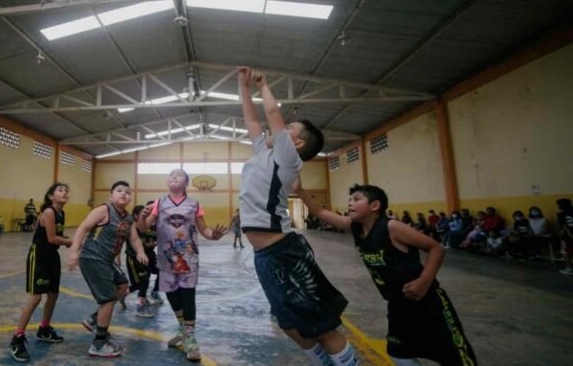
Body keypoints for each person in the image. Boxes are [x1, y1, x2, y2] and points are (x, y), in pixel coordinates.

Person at [236, 67, 356, 366]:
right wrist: (243, 87)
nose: (279, 128)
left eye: (288, 128)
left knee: (321, 327)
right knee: (290, 325)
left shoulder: (286, 159)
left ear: (296, 144)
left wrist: (263, 85)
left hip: (284, 253)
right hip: (265, 257)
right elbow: (252, 120)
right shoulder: (262, 153)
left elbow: (271, 113)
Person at [295, 183, 477, 366]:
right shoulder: (356, 227)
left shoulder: (391, 227)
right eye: (349, 199)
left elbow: (436, 248)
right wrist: (299, 190)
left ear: (375, 205)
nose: (350, 203)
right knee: (399, 354)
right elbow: (320, 212)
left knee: (456, 357)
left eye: (356, 199)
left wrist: (424, 280)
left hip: (427, 302)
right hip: (398, 305)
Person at [137, 169, 228, 362]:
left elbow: (204, 229)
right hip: (166, 258)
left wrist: (214, 235)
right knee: (172, 296)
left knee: (188, 296)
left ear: (186, 183)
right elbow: (143, 228)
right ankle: (182, 330)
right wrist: (143, 217)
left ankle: (191, 339)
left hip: (188, 258)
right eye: (170, 175)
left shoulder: (194, 204)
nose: (173, 177)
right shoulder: (159, 203)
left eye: (178, 175)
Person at [67, 181, 148, 358]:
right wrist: (74, 251)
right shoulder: (104, 210)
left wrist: (141, 251)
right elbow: (83, 228)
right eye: (119, 191)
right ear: (111, 196)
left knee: (123, 285)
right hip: (93, 257)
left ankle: (94, 320)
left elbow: (134, 239)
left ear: (130, 198)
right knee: (108, 299)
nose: (124, 194)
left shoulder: (128, 219)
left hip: (107, 261)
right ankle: (99, 343)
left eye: (128, 192)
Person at [9, 183, 73, 362]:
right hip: (39, 255)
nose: (64, 192)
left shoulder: (61, 213)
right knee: (36, 297)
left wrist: (72, 239)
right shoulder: (49, 212)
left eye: (66, 191)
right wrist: (71, 242)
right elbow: (52, 238)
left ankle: (44, 329)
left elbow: (58, 235)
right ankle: (17, 338)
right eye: (60, 190)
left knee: (53, 294)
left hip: (52, 256)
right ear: (51, 196)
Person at [125, 203, 162, 319]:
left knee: (158, 273)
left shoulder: (155, 227)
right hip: (135, 258)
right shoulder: (134, 227)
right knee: (141, 283)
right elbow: (137, 243)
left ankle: (153, 293)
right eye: (148, 213)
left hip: (149, 256)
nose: (151, 215)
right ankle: (139, 305)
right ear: (137, 216)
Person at [556, 198, 573, 275]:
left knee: (564, 252)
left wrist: (570, 236)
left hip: (567, 237)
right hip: (569, 236)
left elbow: (564, 226)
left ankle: (569, 268)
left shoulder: (561, 214)